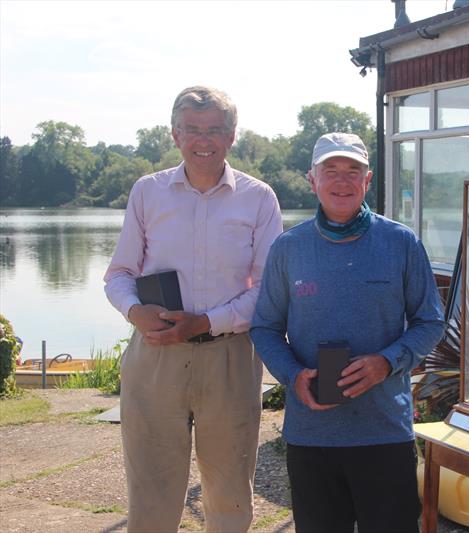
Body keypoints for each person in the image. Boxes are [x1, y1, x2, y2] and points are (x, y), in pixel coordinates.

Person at [104, 86, 283, 533]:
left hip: (229, 355)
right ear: (174, 134)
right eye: (193, 130)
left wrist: (206, 322)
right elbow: (119, 274)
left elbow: (267, 290)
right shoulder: (148, 192)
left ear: (232, 136)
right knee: (150, 490)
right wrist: (134, 311)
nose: (204, 140)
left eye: (215, 130)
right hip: (155, 353)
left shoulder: (259, 199)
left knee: (228, 493)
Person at [250, 132, 445, 533]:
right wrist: (292, 375)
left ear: (368, 180)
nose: (342, 181)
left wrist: (386, 362)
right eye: (331, 171)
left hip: (384, 430)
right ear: (312, 180)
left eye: (352, 171)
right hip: (312, 435)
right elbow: (265, 328)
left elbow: (431, 322)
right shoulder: (288, 247)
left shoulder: (401, 243)